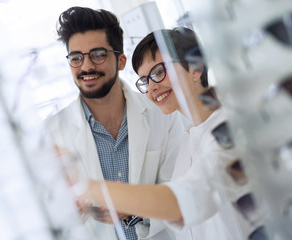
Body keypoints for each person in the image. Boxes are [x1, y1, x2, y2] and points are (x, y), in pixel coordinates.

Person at [77, 27, 254, 240]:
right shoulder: (189, 139)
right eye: (144, 81)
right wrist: (129, 209)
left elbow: (186, 200)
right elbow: (181, 210)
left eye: (159, 72)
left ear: (195, 67)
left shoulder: (231, 129)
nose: (151, 87)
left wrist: (85, 186)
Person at [46, 6, 186, 240]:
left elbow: (181, 193)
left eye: (98, 54)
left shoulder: (162, 113)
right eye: (76, 58)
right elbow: (48, 213)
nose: (86, 66)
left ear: (120, 61)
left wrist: (135, 207)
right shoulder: (51, 133)